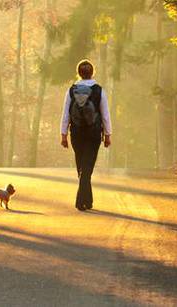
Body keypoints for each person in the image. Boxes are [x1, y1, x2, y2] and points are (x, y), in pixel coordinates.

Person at [60, 60, 112, 211]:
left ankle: (86, 201)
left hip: (76, 133)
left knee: (82, 166)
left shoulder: (71, 91)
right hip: (94, 133)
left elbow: (65, 114)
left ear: (79, 73)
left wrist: (63, 135)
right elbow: (105, 115)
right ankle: (81, 200)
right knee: (87, 167)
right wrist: (107, 134)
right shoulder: (99, 91)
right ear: (92, 72)